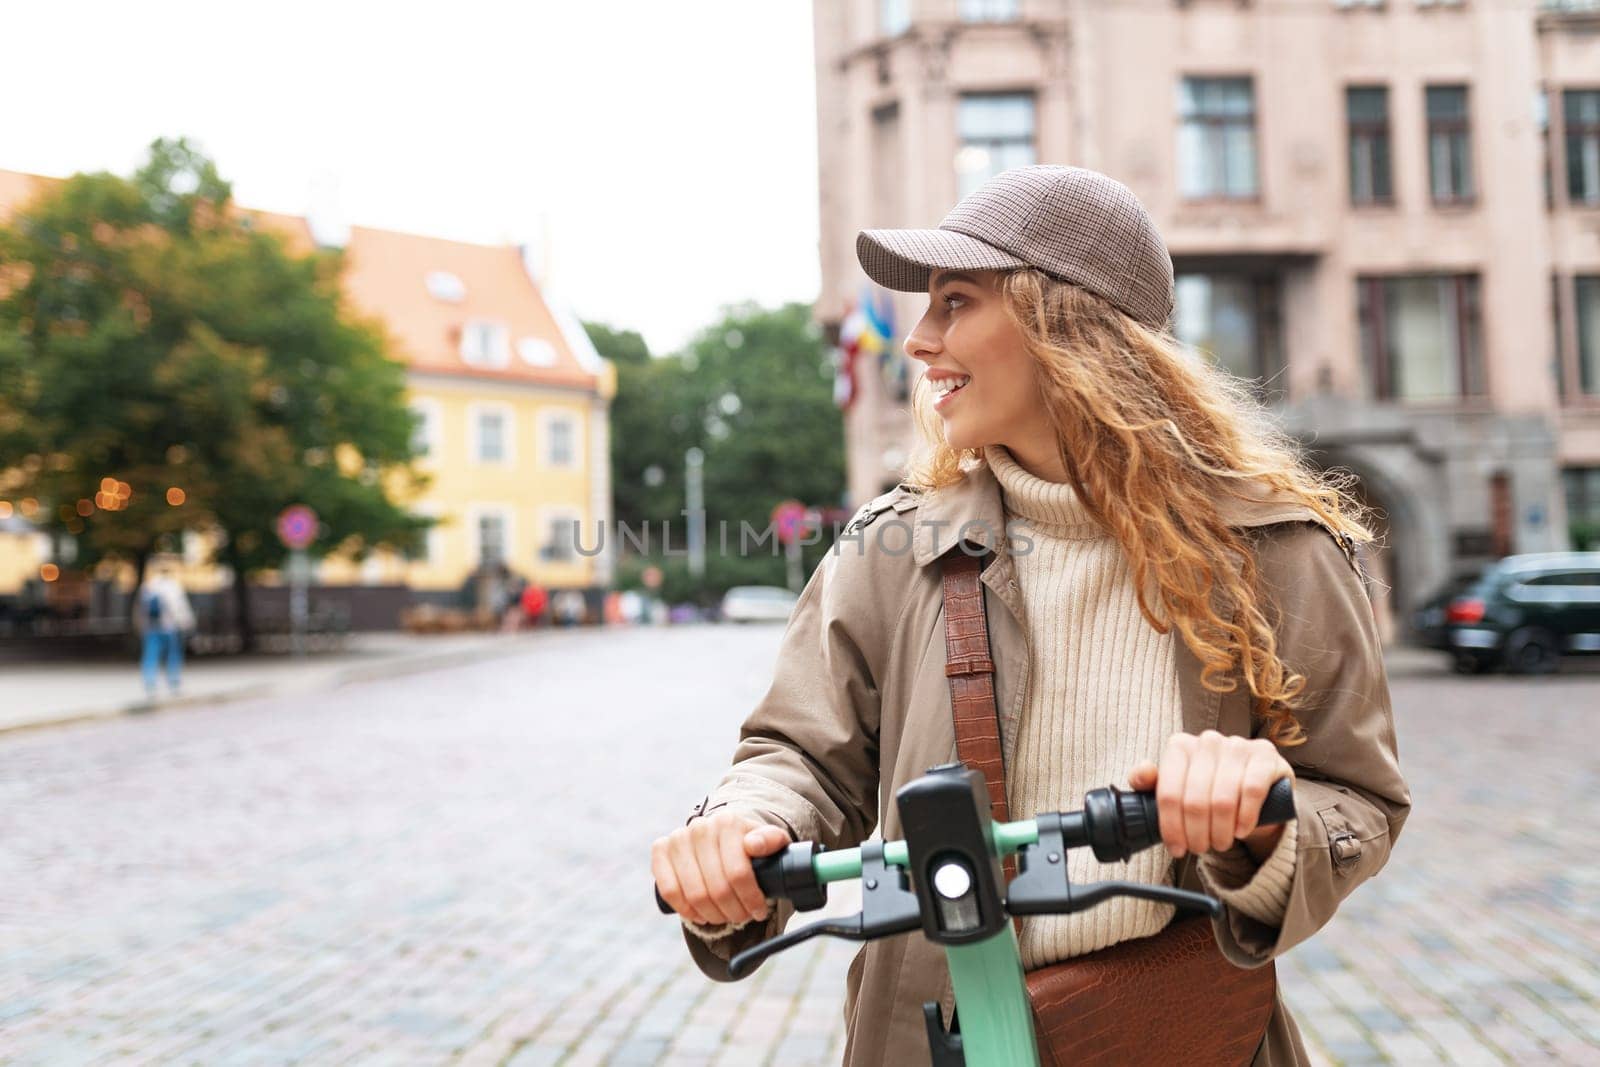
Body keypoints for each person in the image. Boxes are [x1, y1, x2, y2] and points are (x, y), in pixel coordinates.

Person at [649, 166, 1410, 1065]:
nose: (921, 340)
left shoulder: (1275, 547)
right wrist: (742, 824)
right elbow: (797, 757)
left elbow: (1356, 792)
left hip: (1183, 1037)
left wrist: (1266, 819)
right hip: (938, 1038)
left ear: (1064, 324)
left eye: (957, 302)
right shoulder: (889, 551)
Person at [135, 560, 195, 699]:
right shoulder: (173, 586)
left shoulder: (148, 586)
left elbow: (140, 608)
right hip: (169, 627)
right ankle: (174, 683)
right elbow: (179, 607)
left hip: (151, 628)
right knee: (173, 655)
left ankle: (150, 683)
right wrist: (187, 622)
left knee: (151, 655)